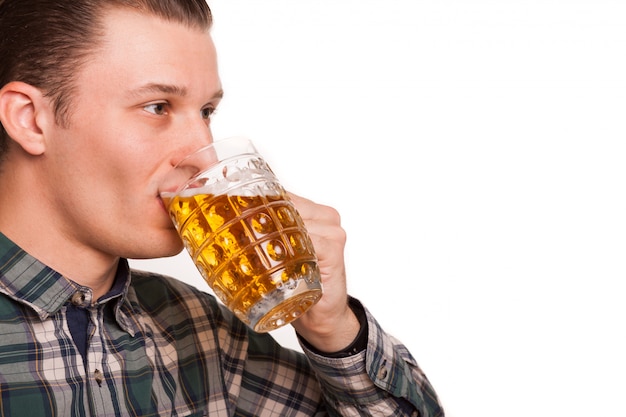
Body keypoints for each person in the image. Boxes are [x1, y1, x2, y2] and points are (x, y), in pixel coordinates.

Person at [0, 0, 444, 415]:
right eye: (157, 107)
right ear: (29, 119)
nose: (205, 155)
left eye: (206, 111)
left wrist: (333, 331)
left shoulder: (197, 327)